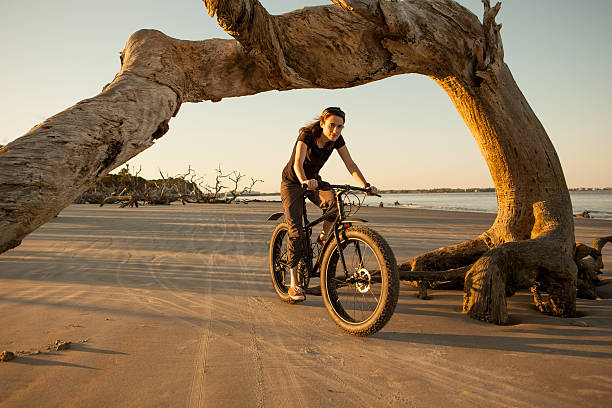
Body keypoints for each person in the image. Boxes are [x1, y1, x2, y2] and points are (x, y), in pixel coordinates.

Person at [280, 107, 378, 302]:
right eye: (332, 125)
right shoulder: (307, 135)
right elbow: (297, 163)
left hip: (314, 180)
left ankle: (324, 237)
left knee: (334, 205)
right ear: (323, 123)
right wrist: (304, 181)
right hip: (293, 182)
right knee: (296, 232)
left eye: (340, 127)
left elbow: (350, 164)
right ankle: (293, 283)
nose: (335, 130)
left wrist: (365, 184)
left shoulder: (337, 140)